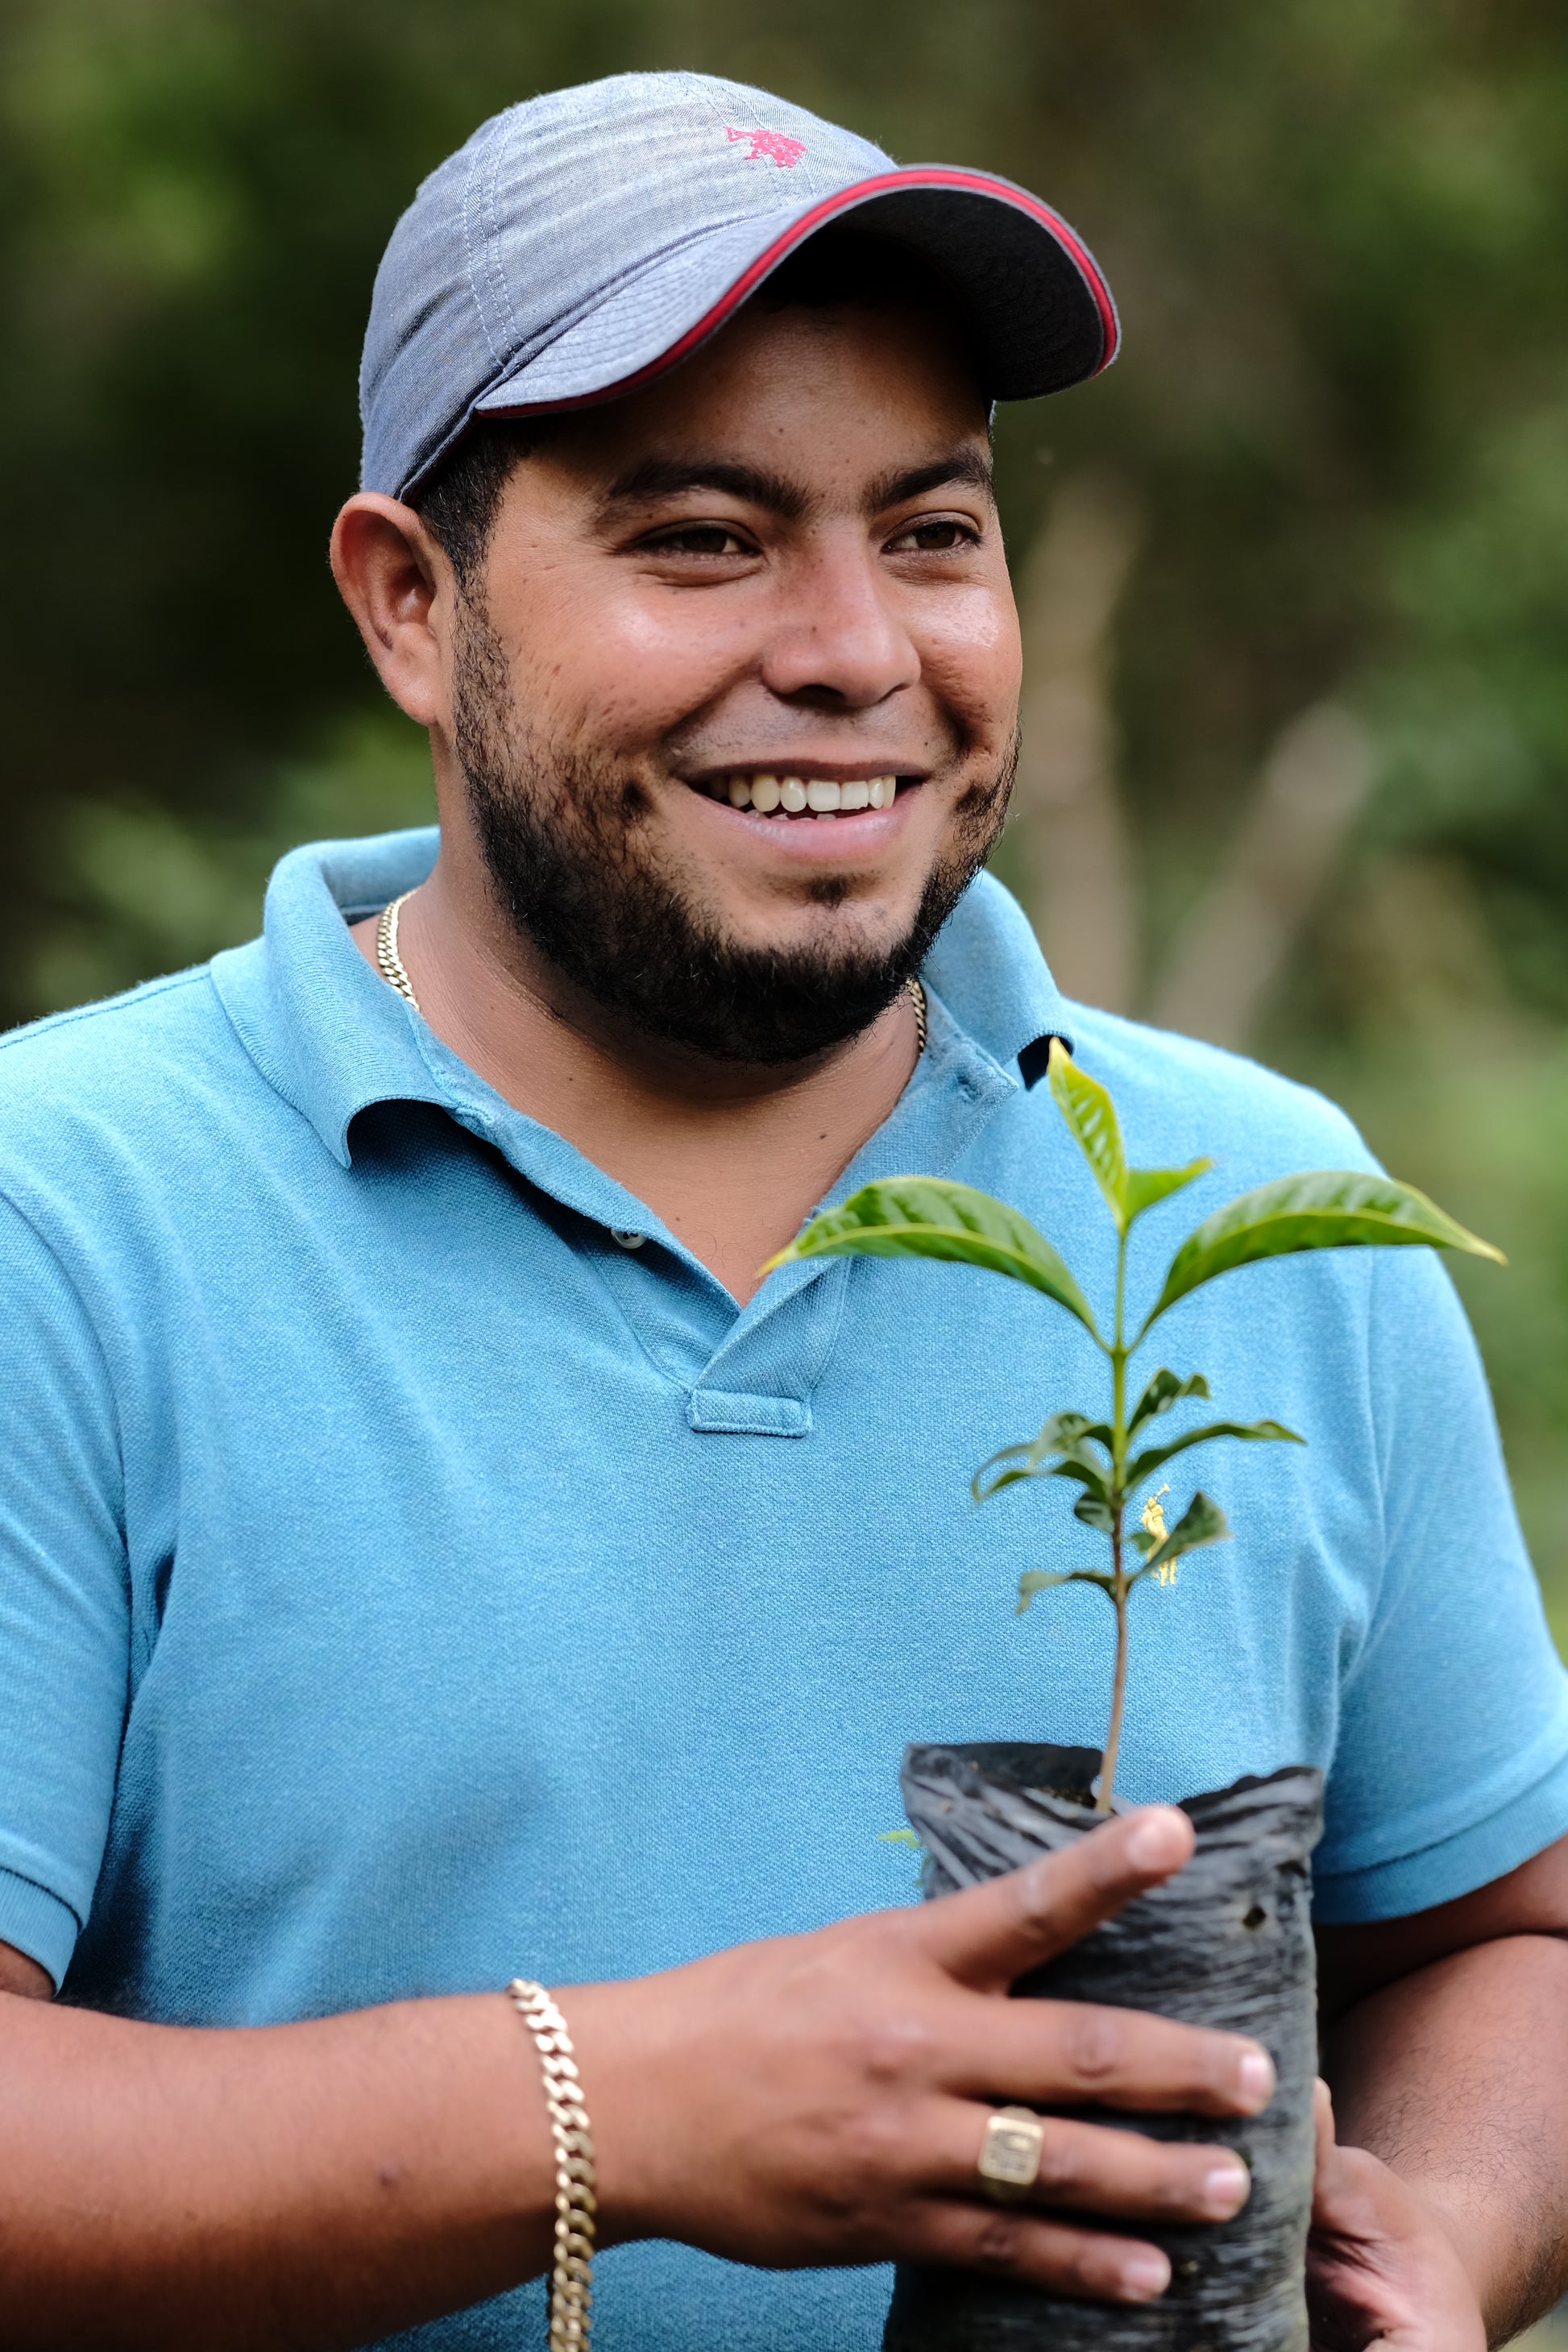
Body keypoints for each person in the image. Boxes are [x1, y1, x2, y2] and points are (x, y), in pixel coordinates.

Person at [0, 68, 1564, 2352]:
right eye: (703, 538)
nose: (853, 647)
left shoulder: (1261, 1209)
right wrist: (613, 2108)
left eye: (929, 532)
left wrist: (1442, 2232)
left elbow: (1503, 1935)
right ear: (410, 606)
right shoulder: (66, 1216)